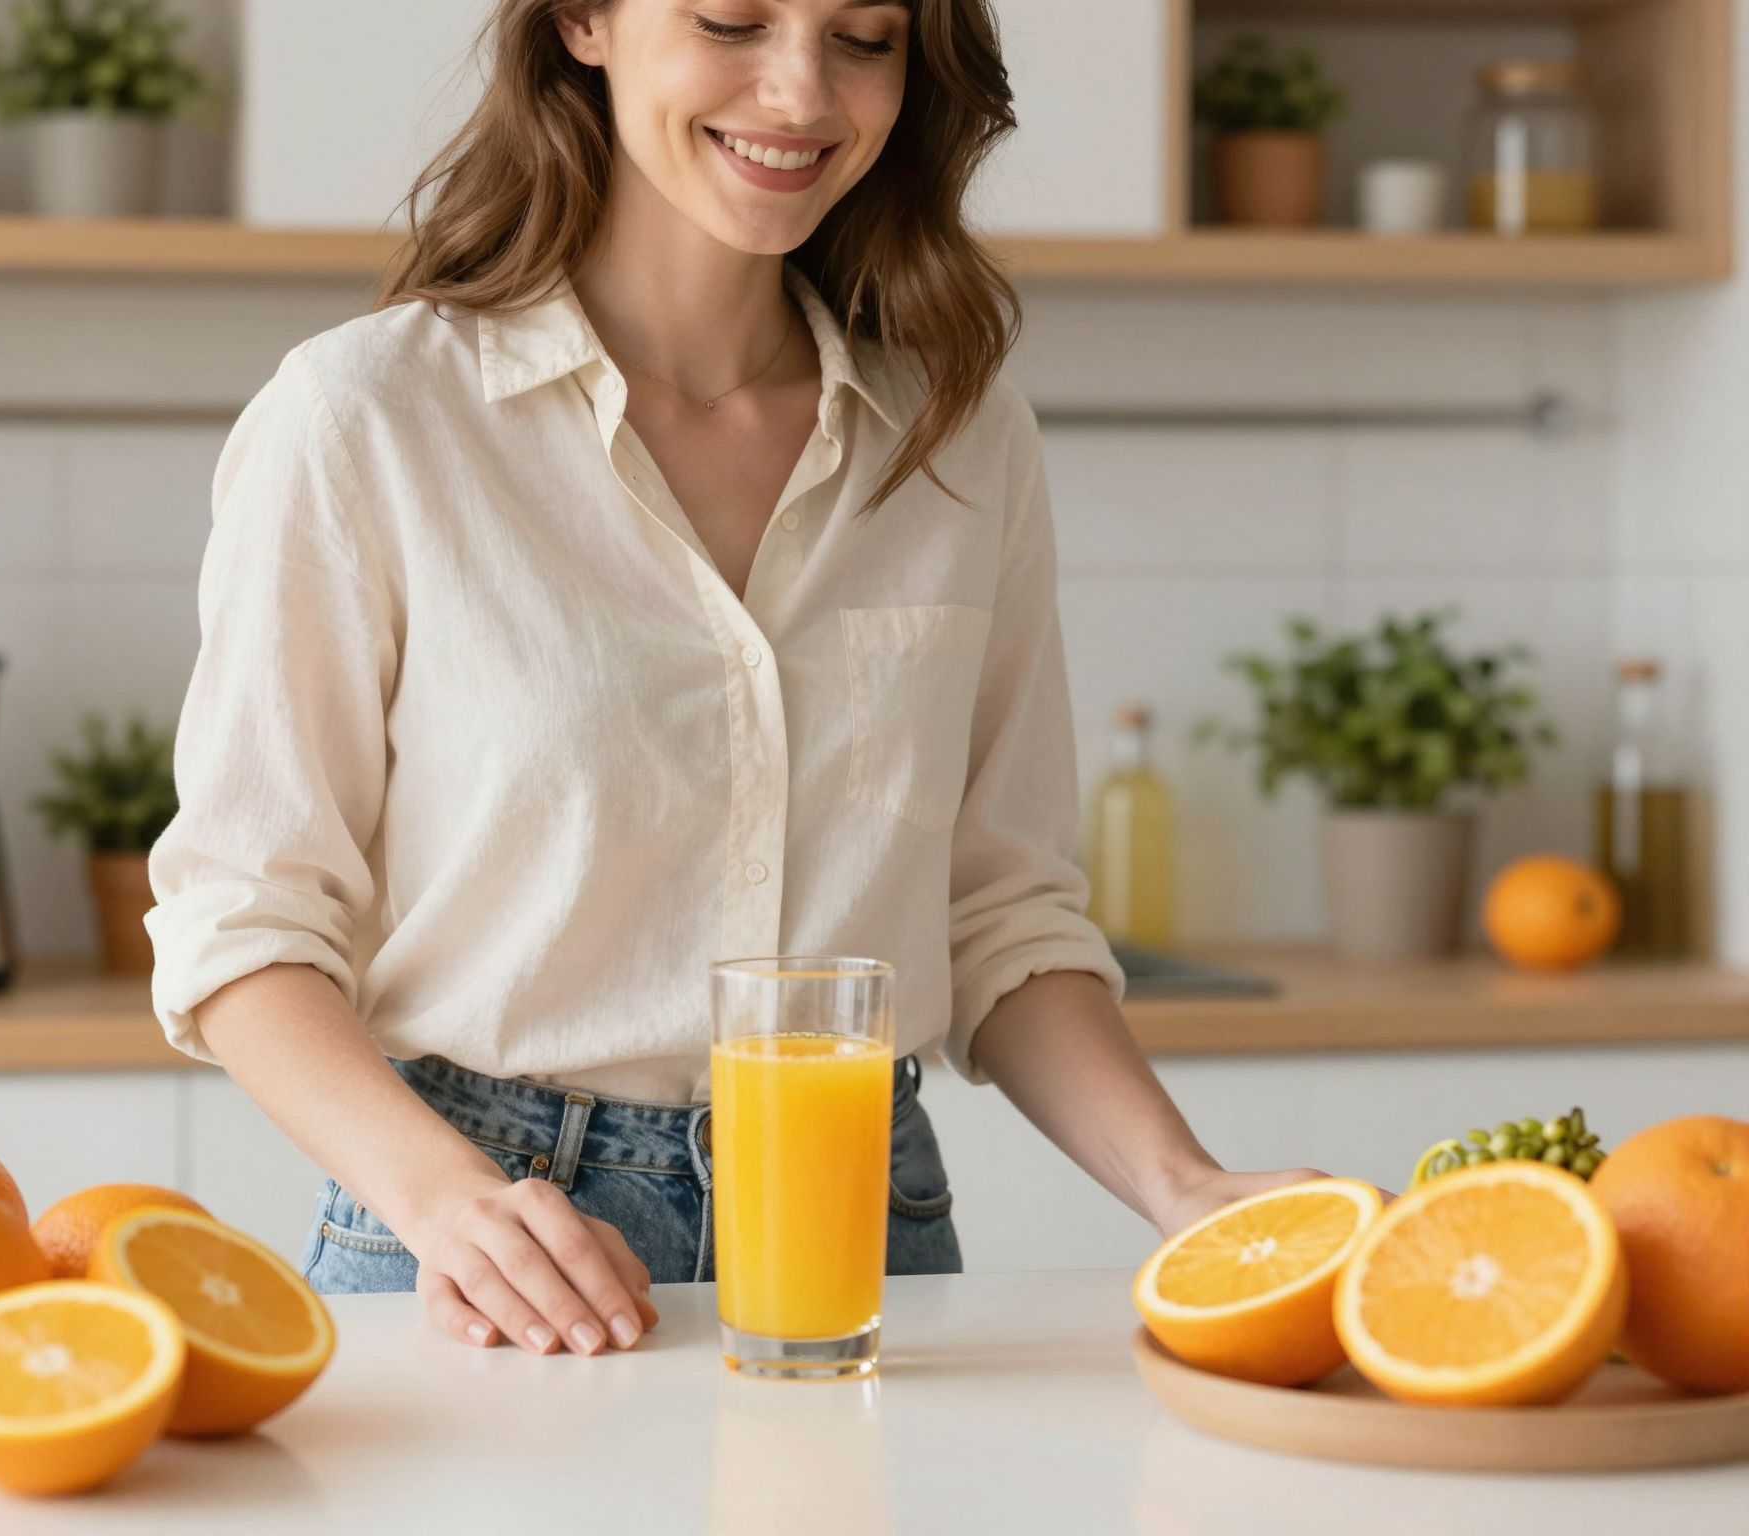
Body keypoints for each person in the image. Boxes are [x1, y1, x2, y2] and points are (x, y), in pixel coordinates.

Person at [146, 0, 1324, 1360]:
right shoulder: (369, 418)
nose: (799, 91)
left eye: (865, 38)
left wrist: (1190, 1190)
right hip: (492, 1246)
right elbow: (244, 924)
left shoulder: (957, 435)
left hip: (864, 1225)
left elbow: (999, 914)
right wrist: (452, 1202)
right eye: (731, 19)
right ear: (585, 21)